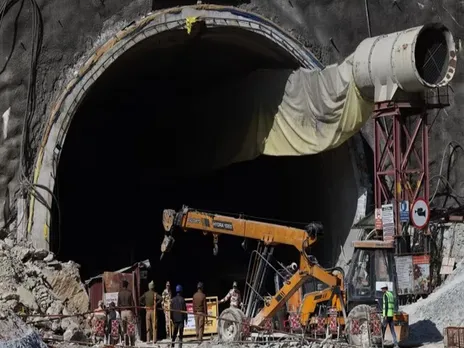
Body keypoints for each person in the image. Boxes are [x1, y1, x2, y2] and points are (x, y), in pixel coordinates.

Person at [381, 284, 399, 348]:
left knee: (382, 329)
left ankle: (381, 344)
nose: (381, 290)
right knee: (392, 330)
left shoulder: (385, 295)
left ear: (385, 289)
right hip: (391, 314)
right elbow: (392, 304)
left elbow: (386, 305)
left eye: (382, 289)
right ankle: (396, 344)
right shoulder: (390, 294)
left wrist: (385, 314)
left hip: (387, 315)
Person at [118, 280, 135, 345]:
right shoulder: (130, 293)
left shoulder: (120, 293)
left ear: (122, 285)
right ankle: (132, 343)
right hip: (129, 311)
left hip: (122, 312)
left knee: (124, 328)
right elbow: (132, 303)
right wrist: (134, 313)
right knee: (131, 326)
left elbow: (118, 303)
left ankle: (126, 342)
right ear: (127, 285)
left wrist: (119, 313)